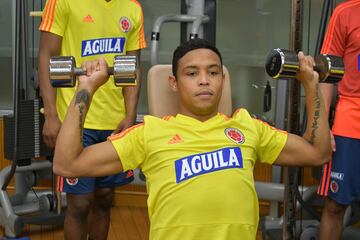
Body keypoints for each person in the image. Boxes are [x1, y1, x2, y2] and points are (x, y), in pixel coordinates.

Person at [53, 38, 331, 240]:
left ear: (222, 80)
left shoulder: (248, 126)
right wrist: (87, 87)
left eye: (213, 72)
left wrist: (311, 85)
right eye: (191, 73)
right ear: (173, 83)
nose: (204, 80)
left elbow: (316, 153)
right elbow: (68, 165)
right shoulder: (150, 132)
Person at [38, 0, 146, 239]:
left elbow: (133, 67)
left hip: (113, 123)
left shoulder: (133, 8)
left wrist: (130, 116)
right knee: (80, 203)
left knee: (105, 198)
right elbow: (47, 56)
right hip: (76, 121)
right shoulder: (62, 2)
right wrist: (51, 115)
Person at [316, 1, 360, 239]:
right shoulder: (346, 13)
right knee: (335, 206)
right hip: (350, 120)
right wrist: (322, 127)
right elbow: (326, 74)